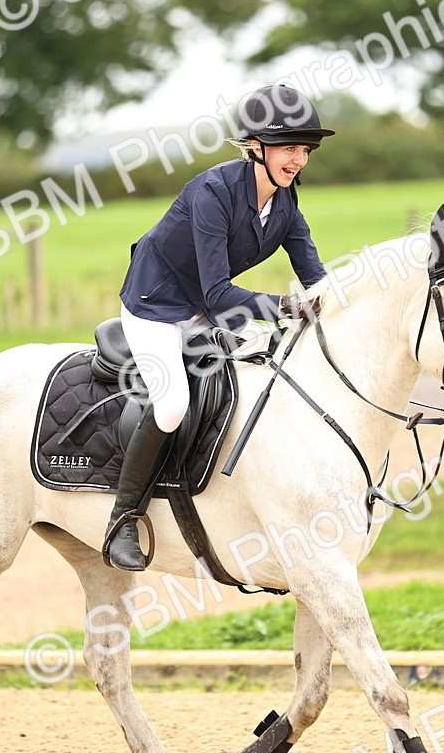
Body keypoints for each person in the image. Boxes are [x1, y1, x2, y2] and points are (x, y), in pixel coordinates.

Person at [103, 84, 335, 571]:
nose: (298, 160)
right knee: (172, 404)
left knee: (266, 373)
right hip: (156, 306)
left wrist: (349, 301)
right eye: (288, 147)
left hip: (206, 310)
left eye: (305, 149)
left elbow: (318, 280)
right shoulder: (211, 193)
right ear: (257, 147)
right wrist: (286, 305)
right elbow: (218, 295)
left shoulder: (287, 205)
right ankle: (122, 518)